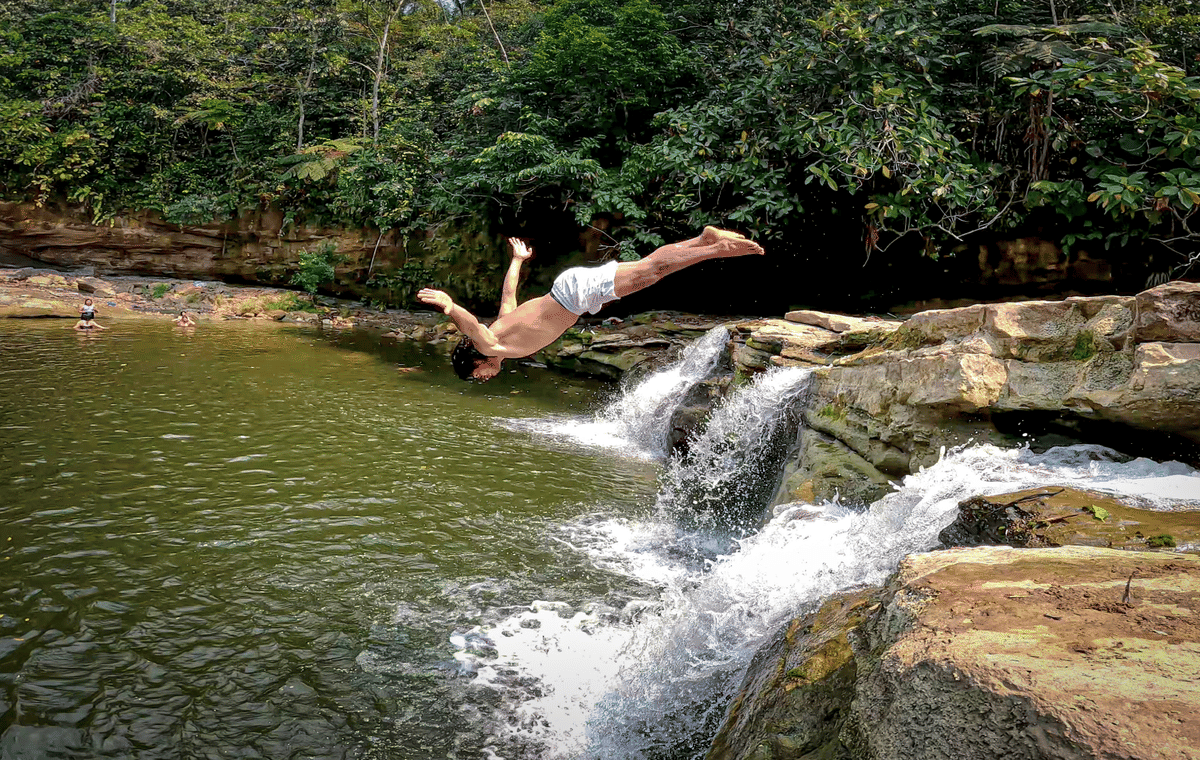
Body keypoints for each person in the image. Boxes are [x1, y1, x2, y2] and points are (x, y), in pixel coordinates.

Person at [417, 227, 763, 382]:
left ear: (475, 361)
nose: (485, 378)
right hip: (573, 294)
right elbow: (509, 296)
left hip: (575, 295)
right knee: (648, 269)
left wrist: (450, 307)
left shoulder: (490, 343)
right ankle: (703, 240)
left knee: (650, 272)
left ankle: (716, 250)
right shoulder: (502, 336)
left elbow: (471, 326)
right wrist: (518, 261)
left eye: (477, 375)